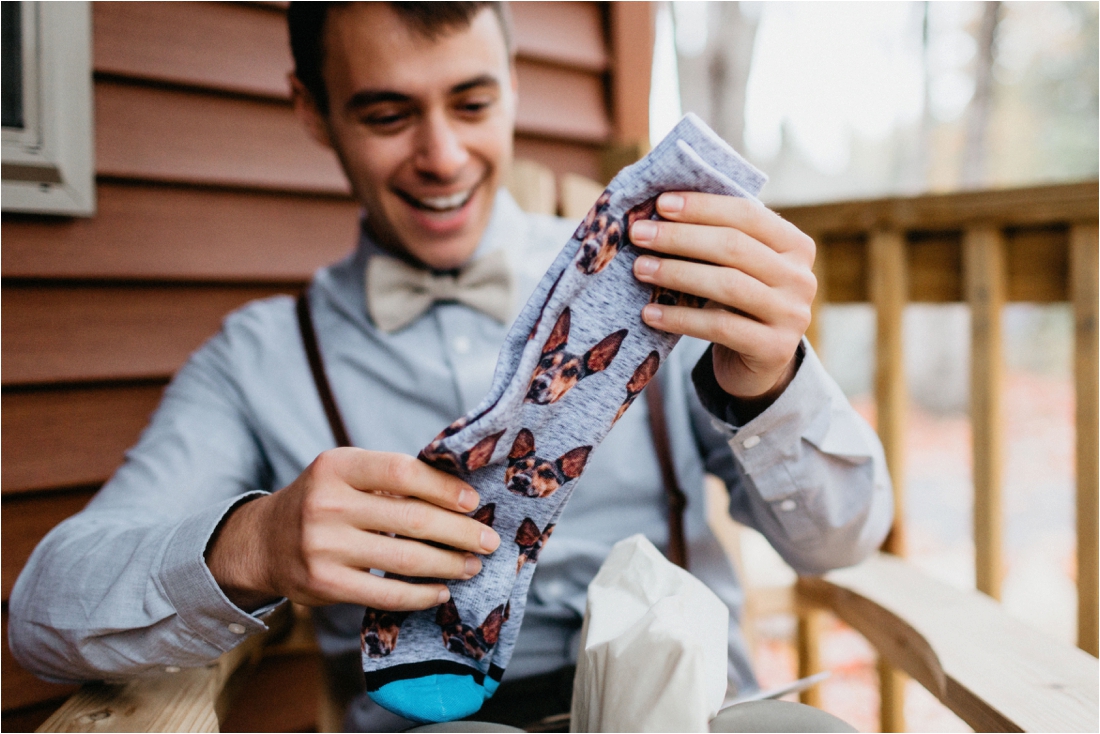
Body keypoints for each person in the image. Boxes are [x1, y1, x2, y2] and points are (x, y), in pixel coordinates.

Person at [8, 2, 892, 730]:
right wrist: (255, 542)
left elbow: (840, 541)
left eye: (472, 103)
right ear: (313, 110)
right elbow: (42, 614)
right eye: (387, 114)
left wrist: (771, 380)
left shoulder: (663, 277)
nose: (441, 156)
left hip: (697, 706)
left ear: (513, 87)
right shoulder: (259, 358)